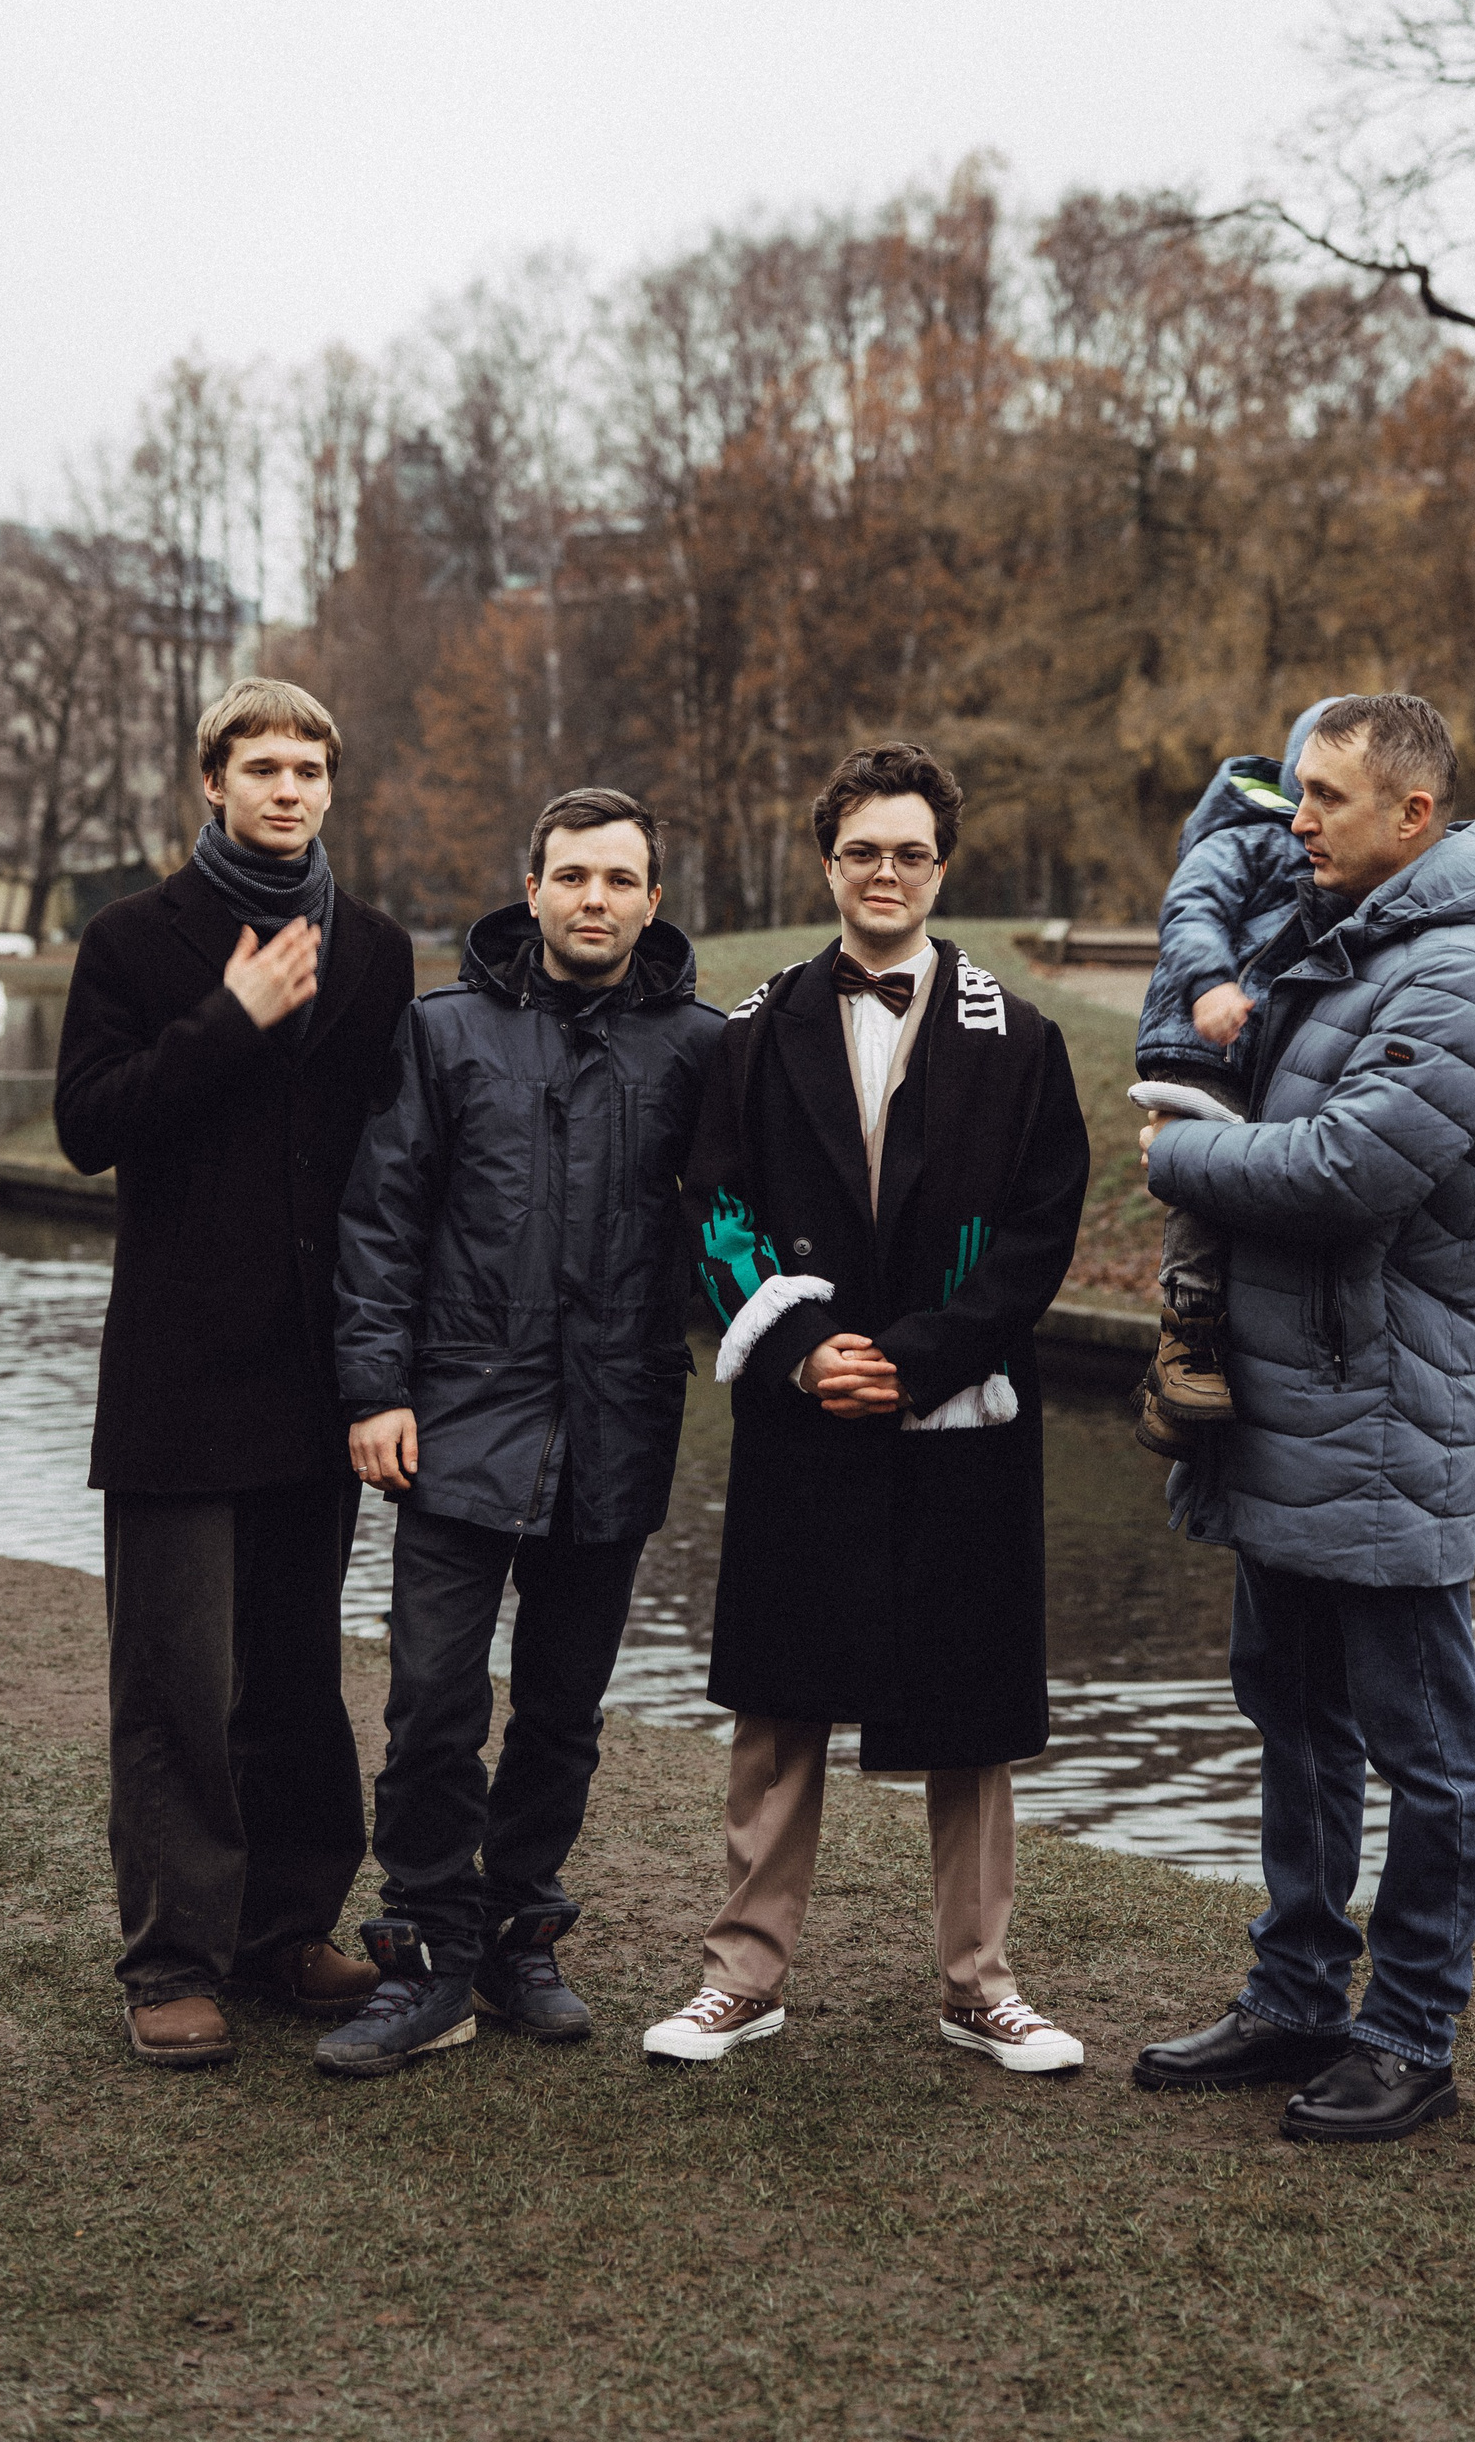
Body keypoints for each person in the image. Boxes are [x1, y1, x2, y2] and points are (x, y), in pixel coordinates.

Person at [1134, 694, 1475, 2144]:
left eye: (1325, 796)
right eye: (1297, 791)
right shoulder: (1344, 933)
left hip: (1387, 1417)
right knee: (1295, 1713)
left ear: (1414, 816)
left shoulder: (1471, 970)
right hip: (1292, 1403)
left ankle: (1410, 2031)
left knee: (1424, 1746)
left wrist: (1180, 1153)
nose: (1296, 818)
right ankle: (1297, 1994)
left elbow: (1346, 1170)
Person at [642, 742, 1091, 2075]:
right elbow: (712, 1206)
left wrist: (919, 1356)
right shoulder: (753, 1031)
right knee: (780, 1701)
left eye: (909, 852)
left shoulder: (1023, 1039)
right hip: (806, 1409)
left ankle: (981, 1987)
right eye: (860, 851)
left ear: (942, 868)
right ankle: (741, 1977)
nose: (884, 873)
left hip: (961, 1411)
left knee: (971, 1710)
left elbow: (1042, 1229)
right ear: (827, 863)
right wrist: (798, 1351)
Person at [320, 789, 722, 2079]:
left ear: (651, 901)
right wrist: (375, 1391)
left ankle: (518, 1933)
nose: (595, 898)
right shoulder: (443, 1031)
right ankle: (427, 1951)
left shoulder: (702, 1048)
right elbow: (383, 1219)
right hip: (456, 1420)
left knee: (562, 1708)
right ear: (533, 889)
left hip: (616, 1423)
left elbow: (740, 1228)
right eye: (573, 876)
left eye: (619, 879)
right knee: (433, 1701)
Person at [55, 677, 414, 2071]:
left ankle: (286, 1931)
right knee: (175, 1687)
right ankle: (173, 1961)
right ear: (213, 781)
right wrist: (230, 1013)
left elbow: (390, 1167)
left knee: (296, 1677)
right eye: (262, 767)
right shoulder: (134, 939)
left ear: (330, 786)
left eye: (308, 769)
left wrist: (388, 1365)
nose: (287, 789)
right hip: (178, 1380)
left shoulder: (374, 949)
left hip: (316, 1379)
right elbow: (88, 1124)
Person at [1133, 696, 1349, 1457]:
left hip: (1261, 1051)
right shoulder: (1245, 838)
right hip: (1201, 1039)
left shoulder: (1339, 866)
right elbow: (1191, 910)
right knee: (1202, 1176)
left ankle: (1192, 1382)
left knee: (1254, 1182)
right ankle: (1186, 1328)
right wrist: (1210, 984)